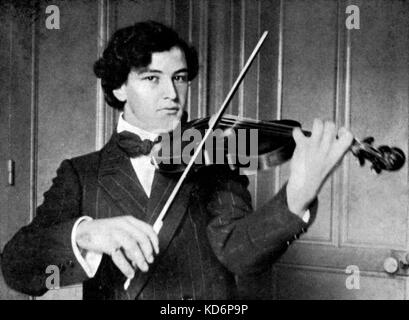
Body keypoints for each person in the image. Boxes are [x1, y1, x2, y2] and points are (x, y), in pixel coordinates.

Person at [1, 21, 353, 300]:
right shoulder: (82, 173)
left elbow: (240, 255)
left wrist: (296, 198)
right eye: (152, 78)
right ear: (119, 88)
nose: (172, 94)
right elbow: (18, 268)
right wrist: (85, 233)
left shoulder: (211, 155)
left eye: (180, 78)